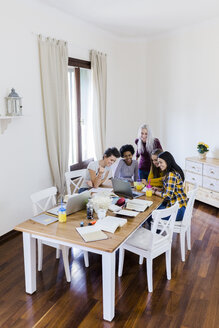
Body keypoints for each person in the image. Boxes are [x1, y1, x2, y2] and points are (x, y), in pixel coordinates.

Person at [152, 151, 187, 221]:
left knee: (151, 211)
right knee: (154, 208)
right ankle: (156, 230)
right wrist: (159, 189)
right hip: (180, 208)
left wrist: (155, 193)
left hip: (178, 211)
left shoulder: (171, 174)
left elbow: (168, 196)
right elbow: (171, 189)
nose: (159, 165)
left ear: (167, 161)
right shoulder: (173, 172)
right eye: (158, 163)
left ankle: (155, 231)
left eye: (161, 162)